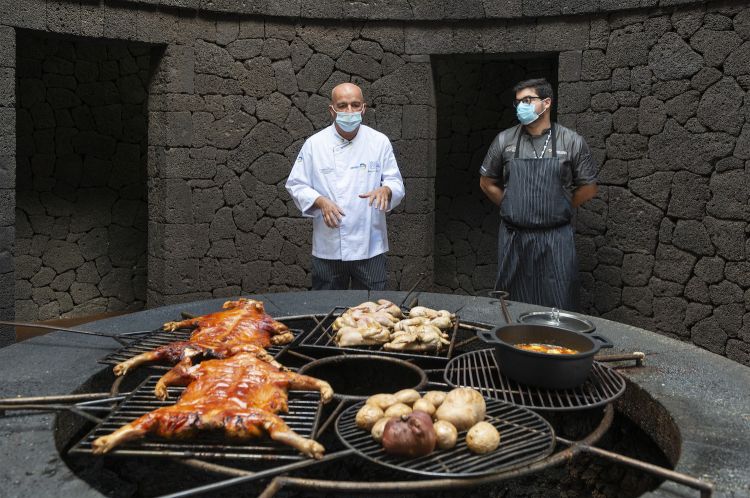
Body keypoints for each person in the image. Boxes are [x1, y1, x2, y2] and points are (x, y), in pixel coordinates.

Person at [478, 78, 598, 311]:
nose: (520, 106)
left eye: (527, 100)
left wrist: (561, 205)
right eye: (518, 102)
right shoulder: (505, 140)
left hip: (556, 238)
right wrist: (511, 203)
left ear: (546, 103)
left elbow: (589, 187)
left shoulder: (571, 141)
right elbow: (486, 182)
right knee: (511, 305)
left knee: (559, 304)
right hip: (515, 237)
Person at [286, 82, 405, 290]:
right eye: (342, 106)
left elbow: (395, 182)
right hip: (329, 245)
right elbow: (296, 184)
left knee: (373, 311)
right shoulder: (315, 144)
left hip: (369, 244)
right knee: (326, 311)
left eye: (355, 104)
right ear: (332, 110)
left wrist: (385, 190)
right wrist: (320, 201)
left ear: (363, 108)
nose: (349, 111)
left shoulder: (379, 142)